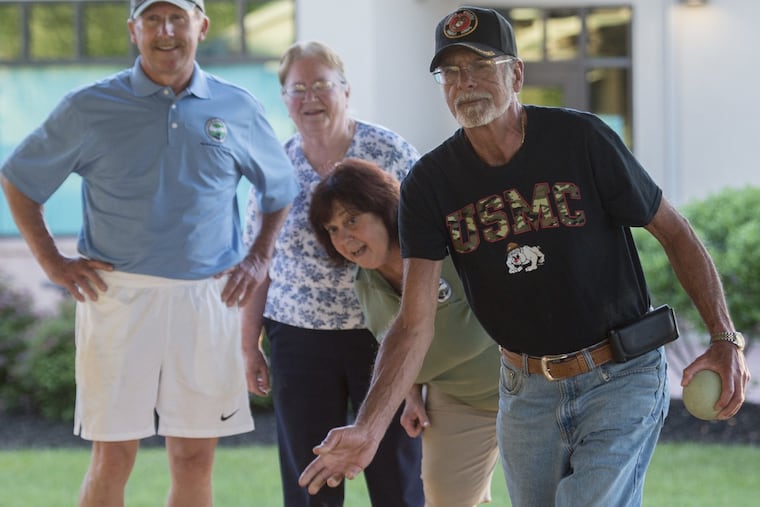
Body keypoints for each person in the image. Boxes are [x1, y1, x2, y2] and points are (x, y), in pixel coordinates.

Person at [298, 6, 751, 507]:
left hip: (619, 375)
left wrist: (724, 337)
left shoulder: (582, 140)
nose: (464, 82)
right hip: (524, 389)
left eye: (480, 66)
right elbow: (413, 321)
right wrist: (367, 427)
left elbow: (675, 232)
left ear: (516, 73)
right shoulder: (430, 184)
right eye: (450, 73)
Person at [0, 0, 298, 505]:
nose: (166, 31)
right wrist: (52, 261)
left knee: (193, 459)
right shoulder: (88, 106)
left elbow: (280, 189)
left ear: (201, 27)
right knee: (112, 457)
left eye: (178, 17)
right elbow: (20, 180)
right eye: (153, 19)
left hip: (208, 300)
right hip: (118, 300)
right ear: (133, 30)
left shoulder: (237, 106)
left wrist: (257, 257)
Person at [241, 41, 424, 506]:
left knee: (397, 476)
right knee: (310, 480)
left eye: (321, 84)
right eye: (297, 88)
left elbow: (429, 244)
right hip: (298, 341)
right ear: (284, 100)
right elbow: (259, 264)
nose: (310, 97)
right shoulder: (274, 168)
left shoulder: (389, 151)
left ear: (345, 89)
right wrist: (248, 346)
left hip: (386, 334)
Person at [308, 158, 501, 506]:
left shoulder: (451, 246)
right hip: (459, 403)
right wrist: (412, 392)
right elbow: (395, 342)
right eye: (332, 228)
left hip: (531, 390)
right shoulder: (365, 282)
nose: (343, 237)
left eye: (351, 219)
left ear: (384, 209)